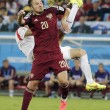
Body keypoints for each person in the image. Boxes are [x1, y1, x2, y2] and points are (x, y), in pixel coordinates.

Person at [17, 0, 72, 110]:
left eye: (40, 2)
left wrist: (64, 20)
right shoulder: (31, 17)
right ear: (32, 7)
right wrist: (20, 16)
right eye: (36, 3)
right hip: (40, 56)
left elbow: (67, 10)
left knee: (64, 81)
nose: (40, 4)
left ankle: (64, 100)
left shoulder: (52, 9)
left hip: (55, 53)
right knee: (31, 85)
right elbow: (21, 23)